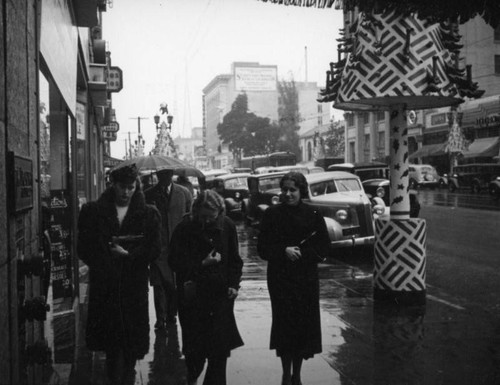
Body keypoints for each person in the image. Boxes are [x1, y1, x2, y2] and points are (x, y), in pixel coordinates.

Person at [77, 164, 161, 385]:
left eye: (130, 187)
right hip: (106, 287)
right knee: (113, 348)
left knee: (131, 347)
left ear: (136, 187)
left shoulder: (148, 214)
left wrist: (129, 256)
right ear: (112, 185)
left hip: (134, 287)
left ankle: (128, 377)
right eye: (122, 187)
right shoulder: (93, 212)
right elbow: (83, 248)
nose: (126, 192)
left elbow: (154, 249)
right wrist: (105, 260)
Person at [257, 171, 330, 385]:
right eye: (285, 190)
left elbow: (324, 246)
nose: (288, 194)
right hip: (280, 279)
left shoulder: (313, 213)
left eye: (293, 190)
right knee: (284, 325)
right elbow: (262, 248)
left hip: (305, 278)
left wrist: (304, 254)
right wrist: (283, 251)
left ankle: (297, 373)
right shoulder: (272, 214)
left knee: (302, 326)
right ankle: (285, 372)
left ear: (301, 191)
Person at [169, 190, 244, 385]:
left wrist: (234, 285)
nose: (208, 221)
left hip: (220, 298)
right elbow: (174, 262)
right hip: (194, 298)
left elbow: (235, 261)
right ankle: (192, 378)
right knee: (195, 353)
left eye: (212, 217)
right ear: (196, 211)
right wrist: (202, 263)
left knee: (219, 354)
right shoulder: (184, 228)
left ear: (220, 211)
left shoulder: (227, 226)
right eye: (203, 217)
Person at [145, 167, 192, 329]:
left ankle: (172, 314)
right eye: (160, 175)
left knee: (173, 284)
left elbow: (189, 216)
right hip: (158, 246)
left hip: (178, 246)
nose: (163, 178)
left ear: (172, 176)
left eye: (167, 175)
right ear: (157, 175)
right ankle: (161, 317)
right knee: (158, 284)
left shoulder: (184, 193)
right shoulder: (149, 194)